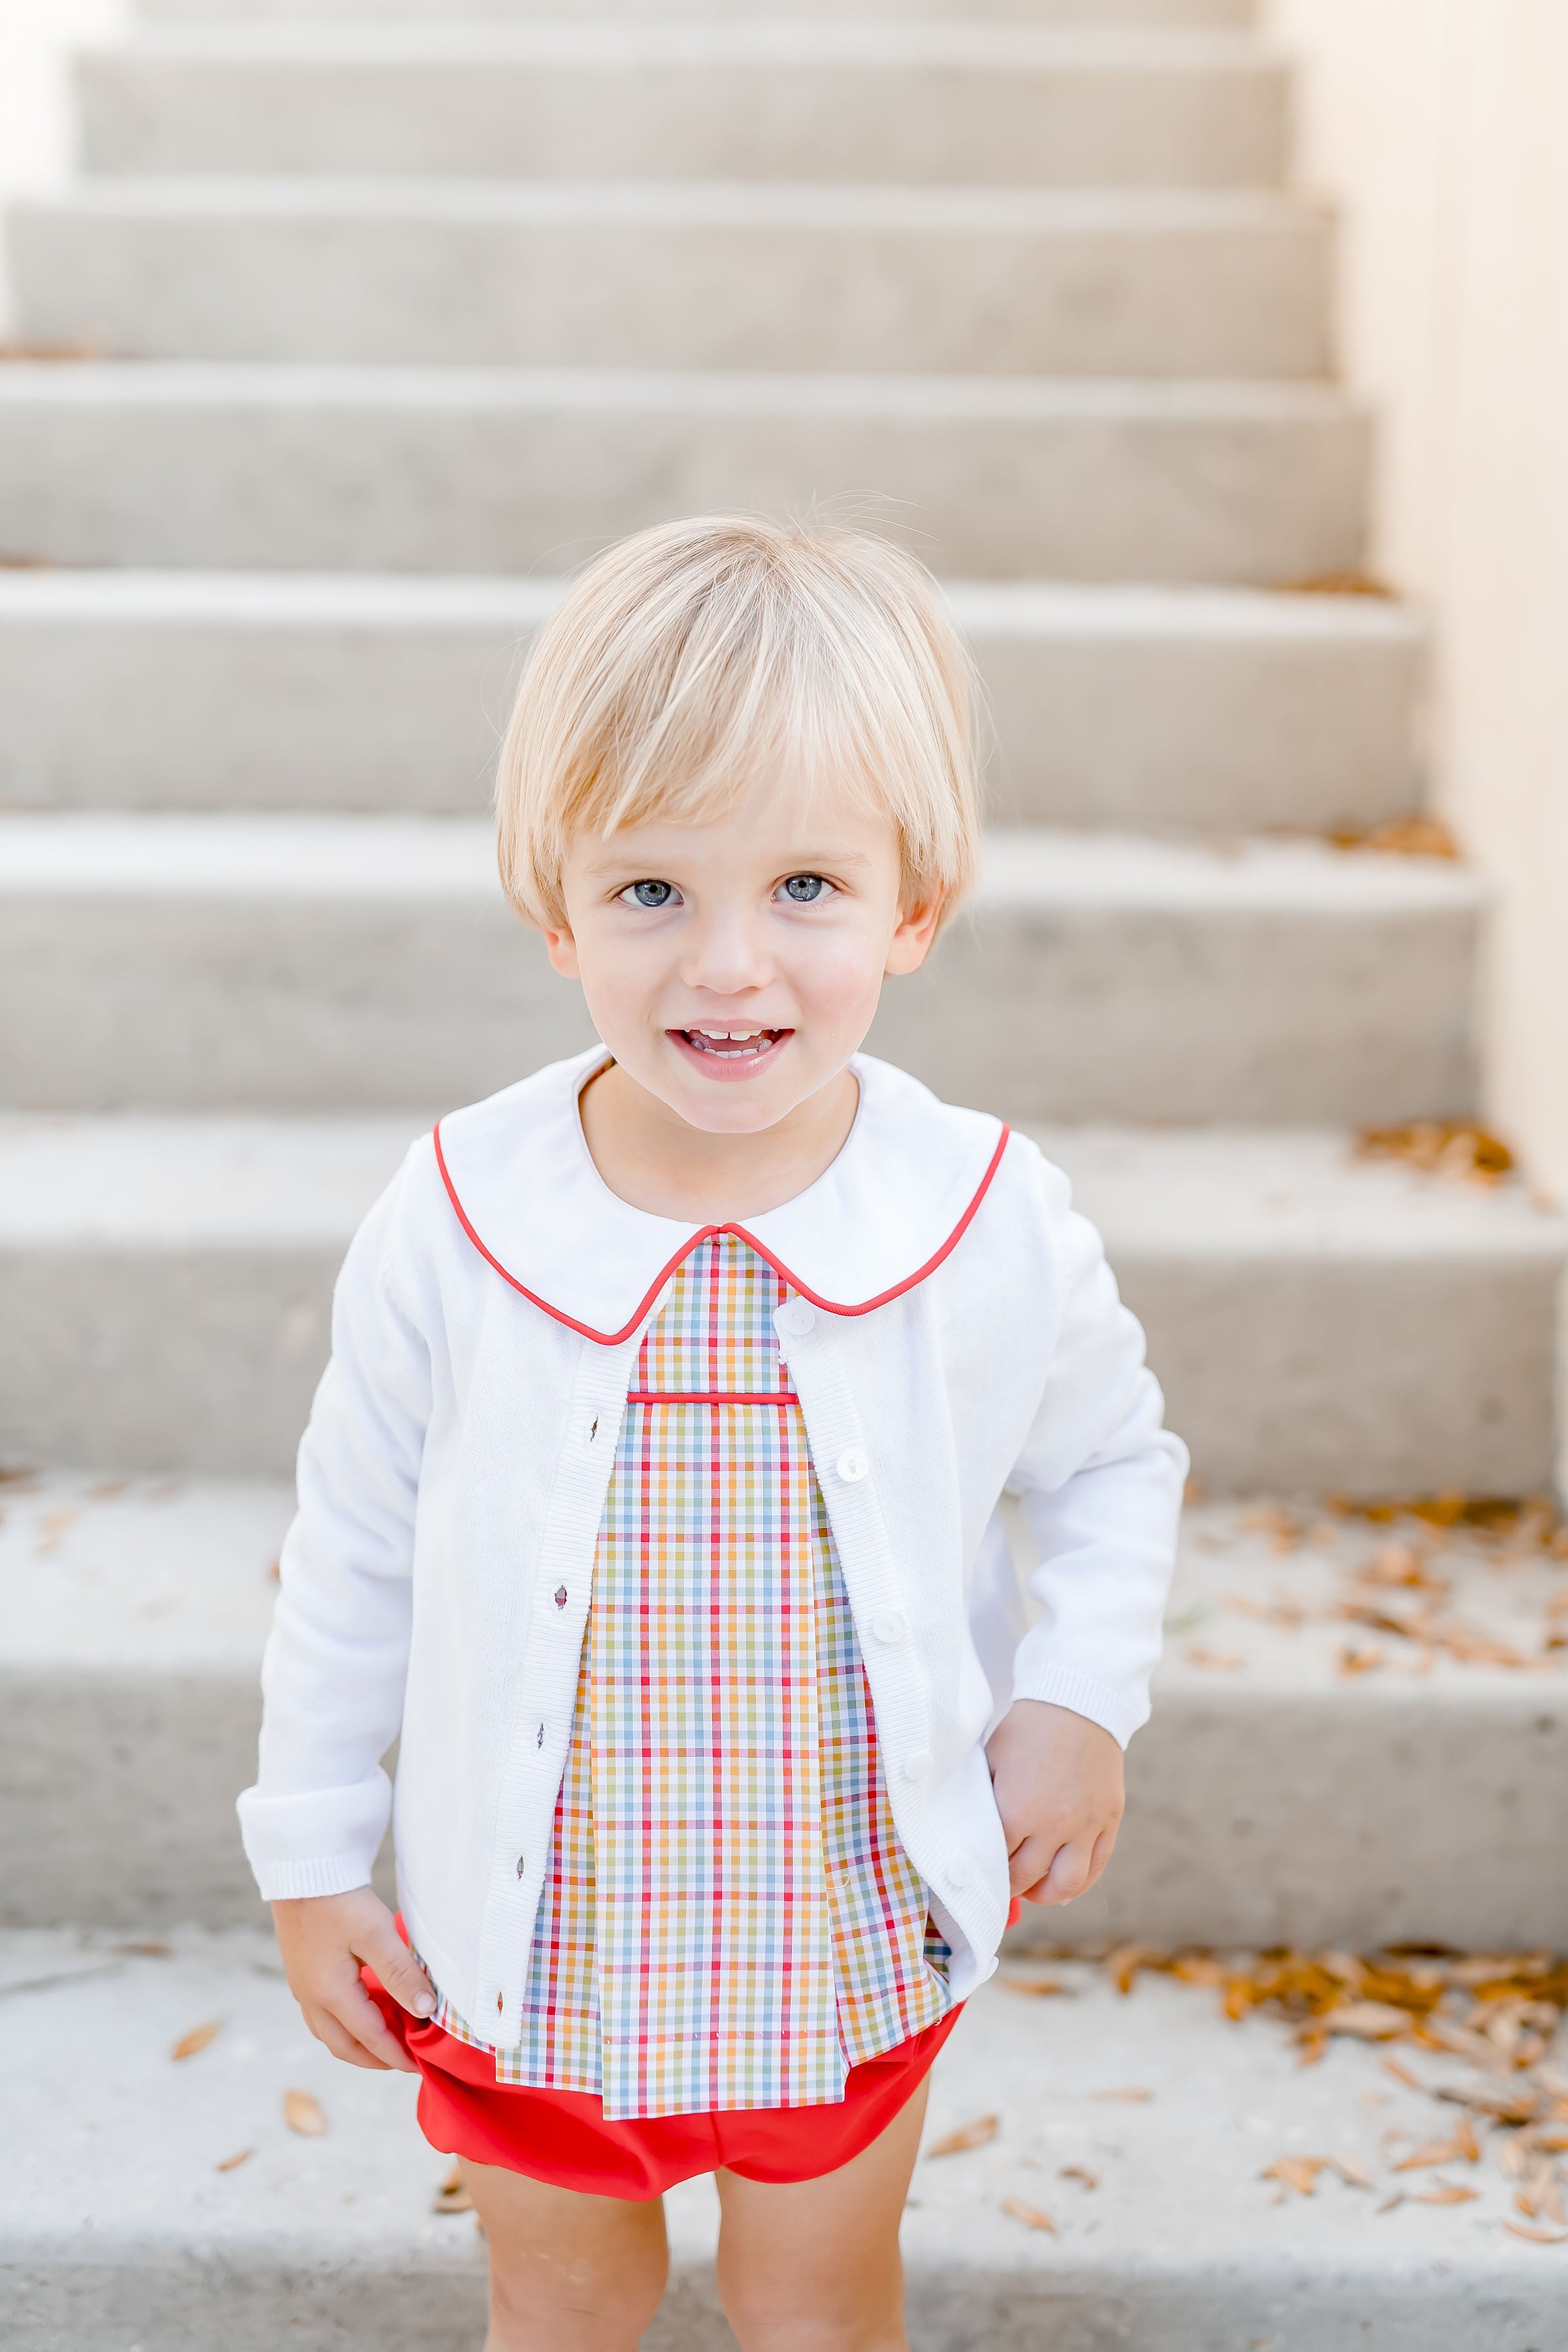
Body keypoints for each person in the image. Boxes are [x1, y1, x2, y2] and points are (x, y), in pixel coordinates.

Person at [239, 514, 1187, 2352]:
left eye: (809, 889)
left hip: (834, 1906)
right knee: (563, 2295)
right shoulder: (461, 1212)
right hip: (544, 1920)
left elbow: (1108, 1464)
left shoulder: (981, 1213)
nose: (729, 967)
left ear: (916, 904)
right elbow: (352, 1543)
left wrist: (1080, 1698)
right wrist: (311, 1853)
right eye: (652, 892)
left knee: (822, 2296)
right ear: (555, 906)